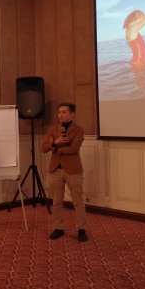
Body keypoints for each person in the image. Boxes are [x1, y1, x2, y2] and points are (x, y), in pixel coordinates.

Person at [41, 102, 88, 242]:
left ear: (72, 114)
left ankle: (81, 229)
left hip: (73, 169)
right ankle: (59, 228)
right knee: (56, 201)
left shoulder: (78, 130)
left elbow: (74, 149)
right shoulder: (53, 129)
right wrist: (55, 142)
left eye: (64, 112)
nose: (60, 115)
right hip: (55, 169)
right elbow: (44, 148)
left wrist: (55, 148)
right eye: (59, 112)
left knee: (78, 201)